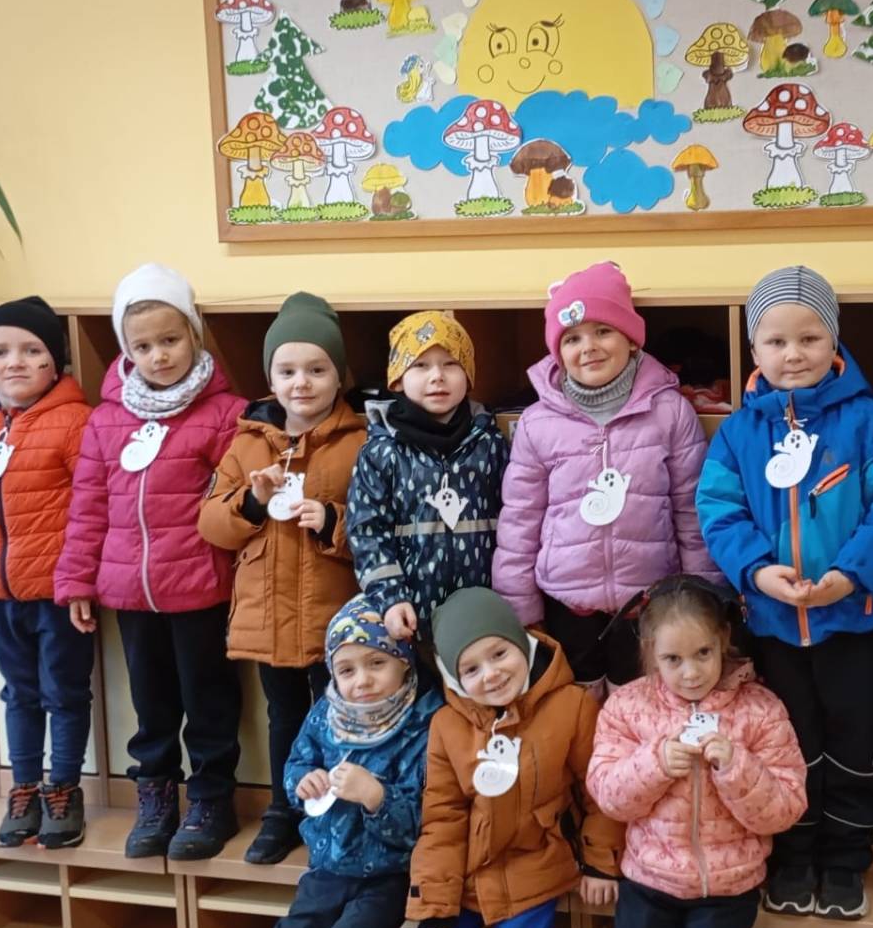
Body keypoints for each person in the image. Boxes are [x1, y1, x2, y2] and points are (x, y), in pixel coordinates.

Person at [147, 597, 441, 928]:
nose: (362, 681)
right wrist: (302, 782)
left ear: (403, 662)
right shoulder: (326, 713)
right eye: (346, 669)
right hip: (327, 870)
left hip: (390, 876)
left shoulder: (428, 721)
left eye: (377, 663)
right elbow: (299, 763)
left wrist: (377, 796)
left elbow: (432, 820)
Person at [695, 266, 873, 921]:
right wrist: (757, 571)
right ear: (754, 350)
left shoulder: (868, 422)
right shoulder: (738, 433)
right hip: (772, 625)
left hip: (854, 621)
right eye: (776, 341)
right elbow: (719, 512)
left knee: (855, 745)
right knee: (783, 746)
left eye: (810, 338)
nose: (793, 354)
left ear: (835, 342)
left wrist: (849, 575)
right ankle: (792, 857)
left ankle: (846, 862)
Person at [386, 587, 621, 928]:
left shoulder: (572, 707)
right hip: (464, 876)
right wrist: (434, 914)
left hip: (534, 867)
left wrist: (600, 863)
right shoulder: (447, 726)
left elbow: (600, 794)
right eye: (471, 667)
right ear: (453, 674)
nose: (491, 674)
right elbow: (441, 822)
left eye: (499, 654)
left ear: (522, 644)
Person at [586, 577, 807, 928]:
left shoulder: (759, 710)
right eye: (673, 659)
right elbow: (608, 792)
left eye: (703, 653)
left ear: (724, 640)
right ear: (649, 653)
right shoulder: (628, 707)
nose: (690, 672)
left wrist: (736, 766)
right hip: (649, 881)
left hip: (727, 888)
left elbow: (786, 807)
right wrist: (657, 763)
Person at [56, 264, 248, 862]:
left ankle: (211, 799)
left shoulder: (226, 413)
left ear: (194, 334)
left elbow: (234, 504)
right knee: (151, 704)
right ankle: (157, 796)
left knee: (209, 701)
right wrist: (76, 580)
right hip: (129, 592)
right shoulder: (105, 419)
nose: (159, 356)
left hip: (201, 588)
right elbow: (87, 505)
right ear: (125, 350)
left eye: (170, 340)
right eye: (142, 346)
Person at [493, 262, 721, 688]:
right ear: (557, 351)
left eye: (603, 331)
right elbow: (520, 520)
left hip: (649, 601)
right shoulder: (538, 423)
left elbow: (692, 513)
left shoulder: (670, 411)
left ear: (631, 340)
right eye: (572, 338)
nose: (589, 347)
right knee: (578, 702)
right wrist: (519, 605)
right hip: (566, 602)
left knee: (639, 703)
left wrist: (703, 596)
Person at [199, 293, 367, 864]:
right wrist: (251, 501)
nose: (302, 383)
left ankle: (342, 810)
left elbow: (379, 526)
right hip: (269, 616)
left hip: (336, 615)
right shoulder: (248, 442)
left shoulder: (360, 442)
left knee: (345, 712)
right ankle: (284, 808)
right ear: (270, 378)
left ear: (339, 376)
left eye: (317, 369)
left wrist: (334, 522)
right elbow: (211, 523)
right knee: (284, 716)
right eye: (288, 371)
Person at [0, 296, 94, 847]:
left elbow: (90, 505)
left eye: (32, 351)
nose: (15, 362)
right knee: (20, 693)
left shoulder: (75, 421)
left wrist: (79, 579)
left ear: (56, 361)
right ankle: (25, 786)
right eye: (0, 351)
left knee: (64, 692)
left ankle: (64, 789)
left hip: (58, 593)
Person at [346, 311, 508, 647]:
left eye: (451, 364)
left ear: (468, 376)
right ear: (397, 379)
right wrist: (390, 597)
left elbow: (516, 519)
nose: (437, 376)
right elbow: (367, 530)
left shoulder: (490, 443)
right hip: (411, 616)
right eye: (420, 365)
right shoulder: (380, 452)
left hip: (482, 615)